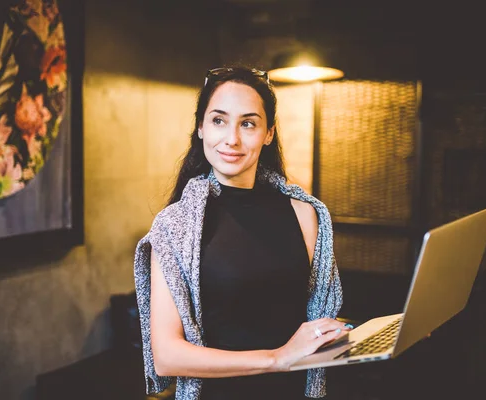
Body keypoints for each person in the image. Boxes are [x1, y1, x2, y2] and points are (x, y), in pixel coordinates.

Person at [133, 66, 349, 400]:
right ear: (201, 127)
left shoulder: (305, 213)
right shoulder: (174, 227)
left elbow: (313, 318)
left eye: (248, 123)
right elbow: (166, 356)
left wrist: (365, 339)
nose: (232, 138)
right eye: (219, 120)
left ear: (269, 133)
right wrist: (276, 359)